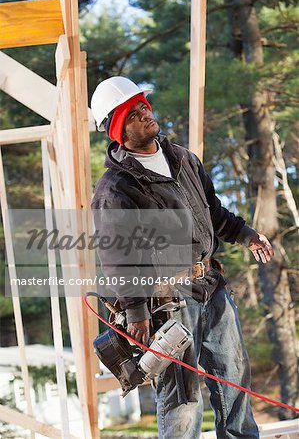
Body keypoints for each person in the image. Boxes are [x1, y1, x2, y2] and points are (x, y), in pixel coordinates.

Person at [90, 76, 274, 439]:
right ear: (117, 128)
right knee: (183, 399)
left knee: (234, 381)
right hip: (168, 302)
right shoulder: (115, 189)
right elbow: (117, 256)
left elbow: (213, 213)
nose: (146, 113)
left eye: (145, 105)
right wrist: (136, 311)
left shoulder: (183, 159)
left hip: (210, 286)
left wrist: (246, 235)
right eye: (133, 111)